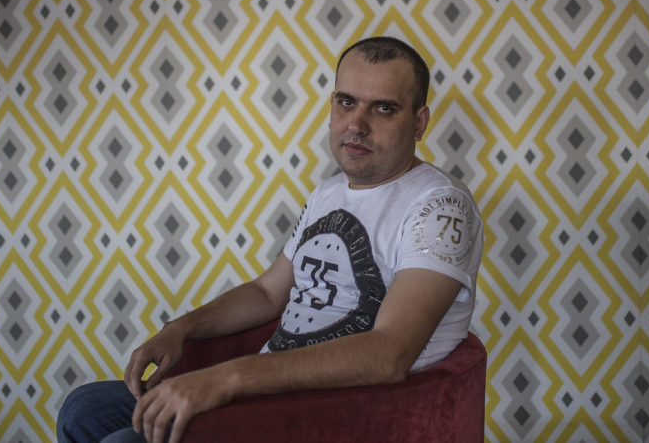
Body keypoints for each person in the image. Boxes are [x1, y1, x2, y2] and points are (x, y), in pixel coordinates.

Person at [57, 36, 484, 443]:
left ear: (419, 123)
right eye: (346, 102)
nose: (356, 124)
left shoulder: (440, 206)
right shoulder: (328, 193)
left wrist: (227, 377)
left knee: (125, 439)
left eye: (384, 108)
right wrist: (180, 329)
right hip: (274, 390)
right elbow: (266, 292)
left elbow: (388, 354)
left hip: (344, 412)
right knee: (84, 409)